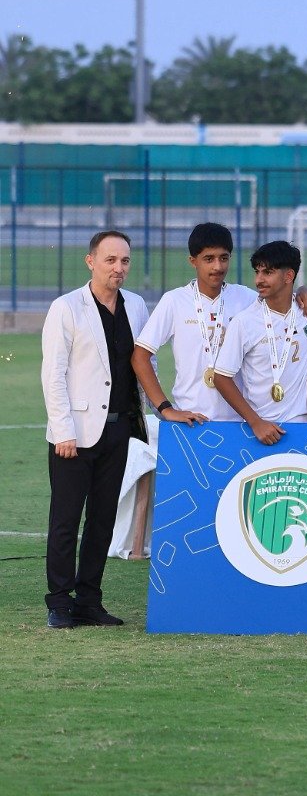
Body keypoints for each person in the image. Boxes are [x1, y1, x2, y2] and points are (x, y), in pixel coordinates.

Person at [40, 230, 150, 628]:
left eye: (124, 261)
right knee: (66, 520)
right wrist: (63, 430)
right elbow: (53, 375)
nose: (118, 268)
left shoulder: (137, 306)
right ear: (91, 261)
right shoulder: (66, 307)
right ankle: (59, 602)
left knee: (103, 520)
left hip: (119, 430)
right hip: (75, 433)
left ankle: (89, 600)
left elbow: (143, 366)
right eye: (110, 260)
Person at [133, 222, 258, 426]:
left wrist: (304, 292)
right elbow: (140, 356)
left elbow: (282, 306)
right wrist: (165, 408)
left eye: (223, 258)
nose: (218, 266)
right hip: (189, 421)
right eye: (209, 259)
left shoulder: (246, 298)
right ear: (193, 261)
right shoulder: (174, 301)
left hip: (240, 422)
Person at [211, 241, 307, 446]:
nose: (259, 280)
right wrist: (255, 422)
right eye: (257, 272)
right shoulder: (245, 322)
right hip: (261, 431)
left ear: (289, 276)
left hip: (303, 427)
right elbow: (221, 377)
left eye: (268, 272)